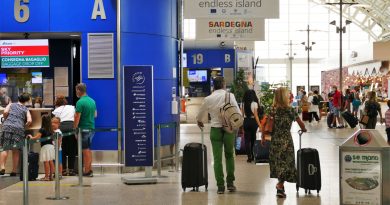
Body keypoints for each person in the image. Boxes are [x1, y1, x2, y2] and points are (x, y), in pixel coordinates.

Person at [196, 76, 240, 194]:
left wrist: (199, 121)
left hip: (215, 129)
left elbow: (200, 115)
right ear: (224, 85)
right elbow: (238, 113)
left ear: (213, 86)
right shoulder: (230, 96)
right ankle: (230, 183)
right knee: (229, 155)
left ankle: (220, 186)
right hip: (229, 129)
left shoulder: (208, 98)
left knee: (217, 159)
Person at [265, 87, 306, 198]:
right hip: (287, 141)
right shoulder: (291, 110)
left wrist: (264, 137)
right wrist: (304, 129)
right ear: (284, 96)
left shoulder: (272, 110)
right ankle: (279, 185)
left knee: (278, 164)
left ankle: (280, 188)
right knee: (287, 164)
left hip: (275, 140)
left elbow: (268, 127)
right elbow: (301, 124)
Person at [0, 93, 32, 176]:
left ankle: (2, 167)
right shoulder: (26, 109)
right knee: (16, 150)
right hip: (19, 128)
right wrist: (23, 126)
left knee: (5, 148)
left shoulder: (11, 104)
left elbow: (5, 112)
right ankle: (14, 171)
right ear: (27, 100)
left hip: (7, 126)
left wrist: (7, 119)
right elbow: (29, 120)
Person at [74, 83, 97, 177]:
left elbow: (77, 117)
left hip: (83, 129)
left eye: (76, 90)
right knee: (88, 149)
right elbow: (95, 115)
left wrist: (75, 129)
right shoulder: (92, 101)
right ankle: (89, 169)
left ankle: (87, 171)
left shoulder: (80, 102)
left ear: (79, 90)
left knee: (85, 150)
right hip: (92, 128)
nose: (76, 92)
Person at [52, 95, 77, 176]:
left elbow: (55, 121)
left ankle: (62, 170)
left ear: (57, 102)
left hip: (61, 127)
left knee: (62, 149)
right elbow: (75, 116)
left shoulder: (56, 110)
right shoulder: (72, 107)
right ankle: (71, 169)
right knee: (72, 150)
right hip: (71, 127)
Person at [28, 115, 56, 181]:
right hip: (51, 146)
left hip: (45, 147)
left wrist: (31, 137)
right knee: (51, 161)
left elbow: (37, 137)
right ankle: (51, 176)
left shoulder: (42, 129)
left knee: (46, 162)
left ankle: (46, 177)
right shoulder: (51, 130)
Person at [241, 90, 262, 163]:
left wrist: (241, 125)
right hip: (253, 122)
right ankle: (253, 155)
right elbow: (256, 116)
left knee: (246, 140)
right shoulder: (255, 104)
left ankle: (249, 156)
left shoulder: (243, 104)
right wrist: (260, 125)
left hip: (246, 121)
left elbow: (242, 115)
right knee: (253, 139)